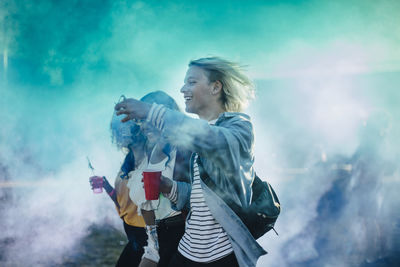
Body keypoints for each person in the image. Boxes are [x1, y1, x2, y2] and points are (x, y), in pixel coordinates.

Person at [115, 57, 267, 267]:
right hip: (186, 253)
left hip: (219, 256)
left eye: (192, 82)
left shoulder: (238, 128)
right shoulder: (195, 139)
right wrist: (171, 188)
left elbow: (214, 140)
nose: (182, 88)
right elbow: (199, 202)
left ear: (216, 87)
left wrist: (152, 111)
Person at [91, 91, 190, 267]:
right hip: (141, 235)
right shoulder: (134, 162)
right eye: (117, 130)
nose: (121, 134)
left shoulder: (182, 154)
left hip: (175, 239)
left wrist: (169, 188)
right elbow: (129, 204)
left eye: (125, 128)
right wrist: (106, 187)